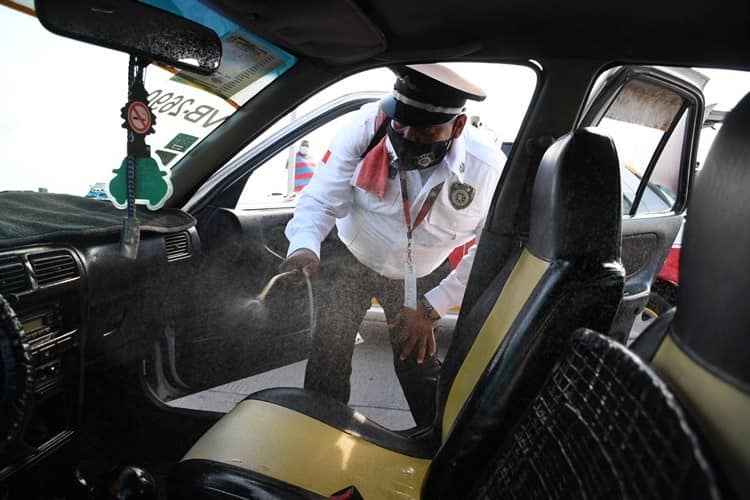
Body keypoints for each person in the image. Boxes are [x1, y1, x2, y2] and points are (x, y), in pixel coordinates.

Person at [281, 64, 505, 427]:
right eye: (401, 125)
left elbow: (493, 249)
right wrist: (305, 246)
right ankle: (318, 435)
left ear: (458, 126)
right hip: (352, 258)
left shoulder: (487, 169)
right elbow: (320, 199)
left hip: (418, 279)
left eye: (426, 130)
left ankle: (436, 449)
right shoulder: (367, 128)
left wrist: (433, 308)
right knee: (328, 356)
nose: (407, 137)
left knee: (418, 367)